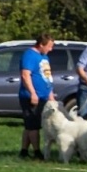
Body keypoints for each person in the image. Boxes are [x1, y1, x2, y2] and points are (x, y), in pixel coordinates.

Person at [19, 32, 55, 160]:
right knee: (33, 125)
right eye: (49, 46)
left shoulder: (44, 57)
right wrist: (33, 93)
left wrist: (50, 94)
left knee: (30, 125)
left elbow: (46, 76)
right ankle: (37, 151)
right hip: (31, 96)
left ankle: (23, 151)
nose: (51, 49)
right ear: (41, 44)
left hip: (44, 96)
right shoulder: (29, 55)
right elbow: (25, 75)